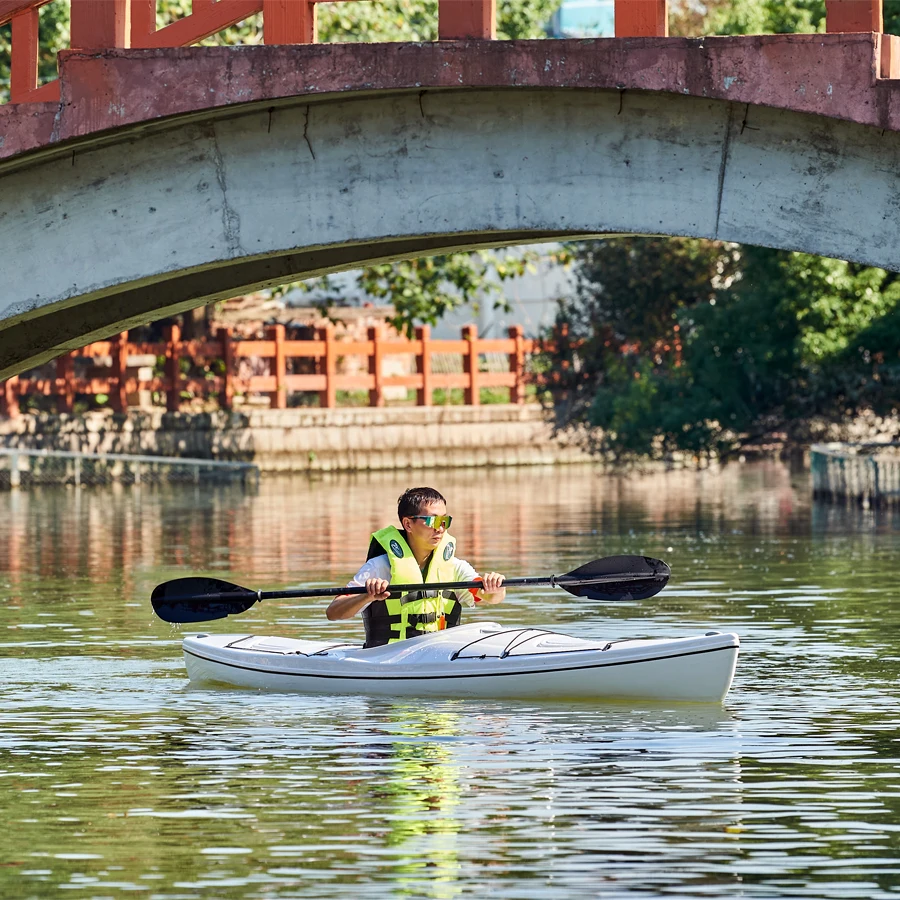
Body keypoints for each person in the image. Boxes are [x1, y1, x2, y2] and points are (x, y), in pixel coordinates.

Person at [326, 486, 505, 647]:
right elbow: (334, 612)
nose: (440, 529)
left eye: (445, 521)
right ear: (408, 524)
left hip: (439, 655)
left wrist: (495, 587)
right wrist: (367, 596)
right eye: (432, 521)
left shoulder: (454, 567)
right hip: (387, 658)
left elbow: (491, 597)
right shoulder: (380, 566)